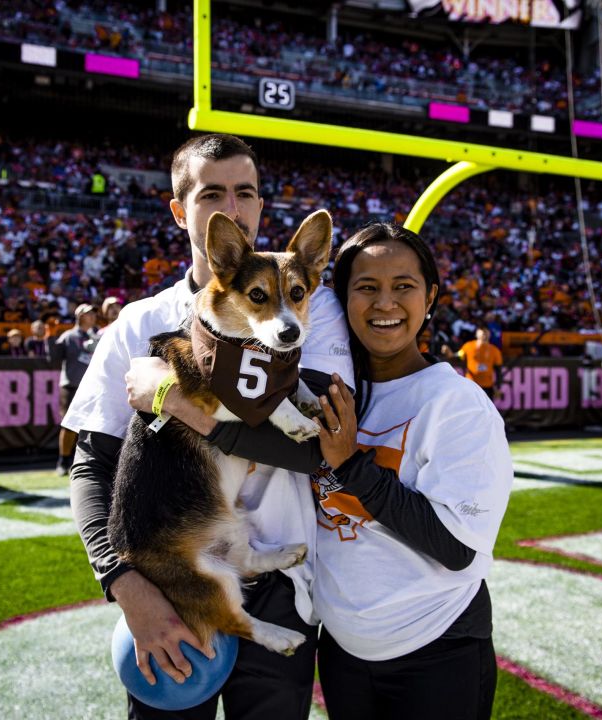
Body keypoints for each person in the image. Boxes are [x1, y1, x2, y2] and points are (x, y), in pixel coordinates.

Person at [64, 133, 352, 720]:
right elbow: (92, 467)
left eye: (245, 193)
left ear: (262, 207)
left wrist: (177, 401)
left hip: (282, 583)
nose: (233, 209)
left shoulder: (312, 319)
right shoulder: (137, 322)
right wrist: (124, 585)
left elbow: (321, 448)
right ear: (179, 210)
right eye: (211, 194)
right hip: (171, 586)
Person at [306, 223, 512, 720]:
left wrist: (353, 466)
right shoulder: (322, 393)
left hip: (437, 649)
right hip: (342, 652)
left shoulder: (458, 404)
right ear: (340, 298)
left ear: (430, 296)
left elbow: (457, 548)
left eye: (403, 287)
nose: (385, 304)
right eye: (366, 287)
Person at [51, 303, 98, 476]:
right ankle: (63, 460)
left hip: (93, 385)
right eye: (88, 313)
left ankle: (88, 458)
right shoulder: (69, 336)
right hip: (72, 384)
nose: (92, 316)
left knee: (94, 425)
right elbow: (54, 357)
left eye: (93, 313)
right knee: (69, 424)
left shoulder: (98, 336)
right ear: (79, 316)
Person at [456, 327, 502, 401]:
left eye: (486, 330)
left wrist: (498, 388)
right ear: (476, 333)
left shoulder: (495, 350)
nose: (484, 332)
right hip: (470, 385)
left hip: (487, 387)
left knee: (486, 410)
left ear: (490, 334)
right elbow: (457, 357)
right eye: (481, 330)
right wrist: (449, 353)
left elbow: (498, 371)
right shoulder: (468, 346)